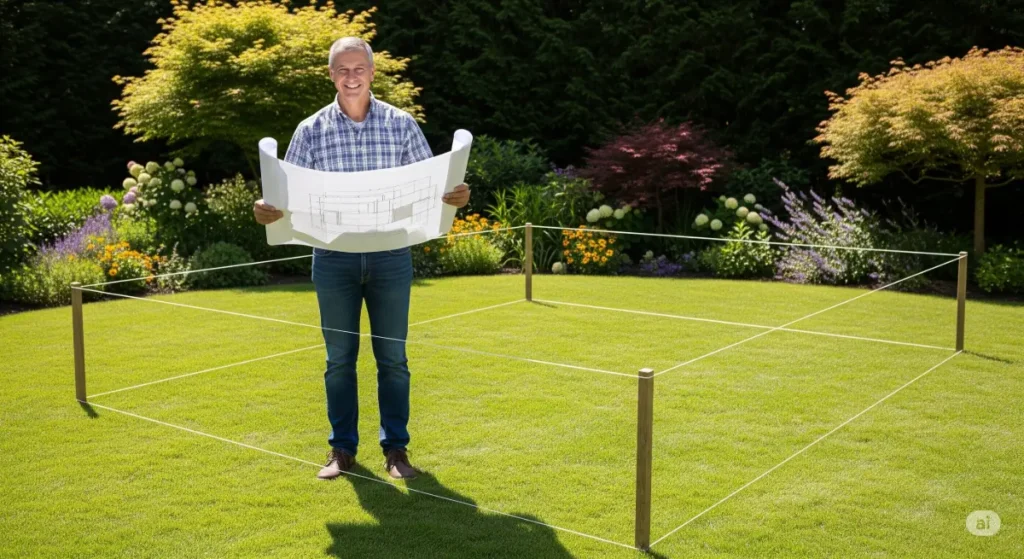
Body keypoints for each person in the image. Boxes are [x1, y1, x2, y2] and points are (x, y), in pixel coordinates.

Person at [253, 37, 470, 481]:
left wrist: (455, 196)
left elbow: (431, 189)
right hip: (333, 261)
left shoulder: (401, 124)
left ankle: (396, 450)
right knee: (339, 359)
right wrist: (265, 209)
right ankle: (341, 450)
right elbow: (284, 196)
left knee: (393, 358)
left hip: (391, 258)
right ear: (331, 75)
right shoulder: (310, 130)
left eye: (358, 69)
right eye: (341, 70)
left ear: (372, 73)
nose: (351, 77)